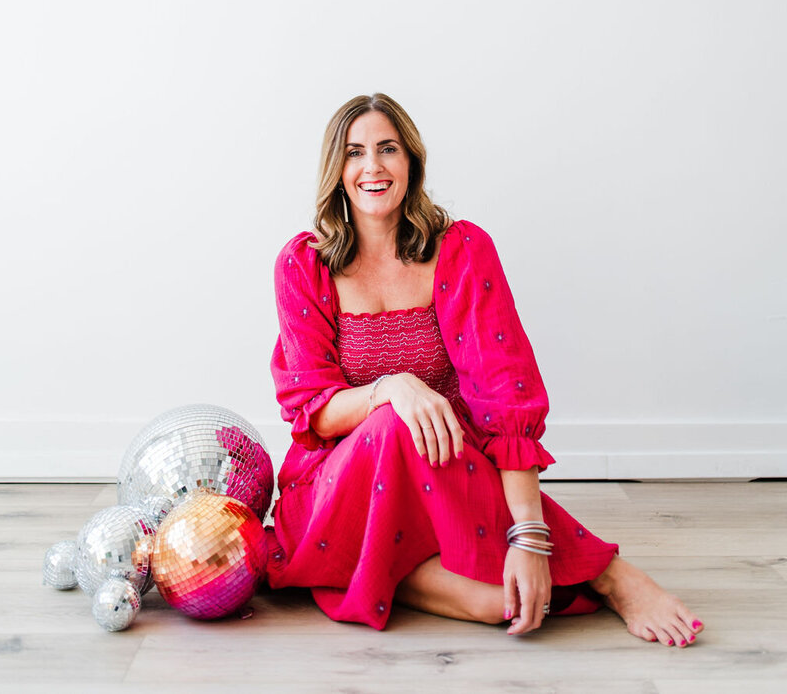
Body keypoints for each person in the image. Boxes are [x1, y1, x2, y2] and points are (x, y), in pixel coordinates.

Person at [267, 93, 705, 646]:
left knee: (516, 601)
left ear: (412, 162)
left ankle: (609, 576)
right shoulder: (303, 263)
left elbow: (506, 396)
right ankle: (598, 572)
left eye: (388, 149)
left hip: (445, 467)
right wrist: (392, 389)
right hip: (340, 483)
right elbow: (316, 415)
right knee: (401, 430)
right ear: (337, 170)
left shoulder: (460, 249)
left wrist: (528, 536)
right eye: (355, 153)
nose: (372, 166)